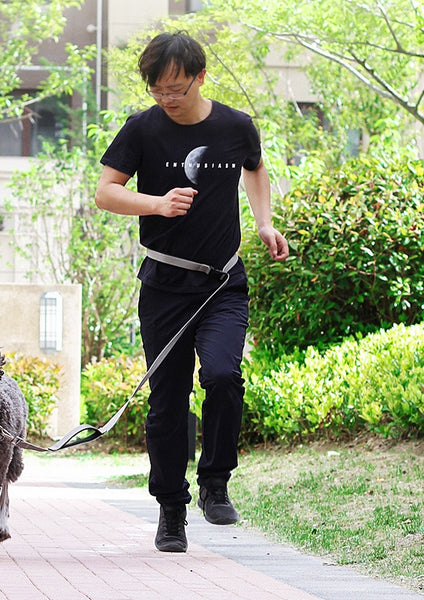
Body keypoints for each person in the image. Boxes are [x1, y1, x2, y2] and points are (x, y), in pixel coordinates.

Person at [95, 31, 289, 553]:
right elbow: (105, 192)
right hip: (163, 284)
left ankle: (215, 481)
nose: (168, 99)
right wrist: (156, 204)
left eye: (177, 88)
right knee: (168, 402)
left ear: (200, 77)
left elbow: (255, 169)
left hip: (223, 280)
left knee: (223, 376)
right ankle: (170, 510)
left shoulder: (234, 126)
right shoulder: (141, 128)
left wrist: (264, 222)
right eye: (159, 90)